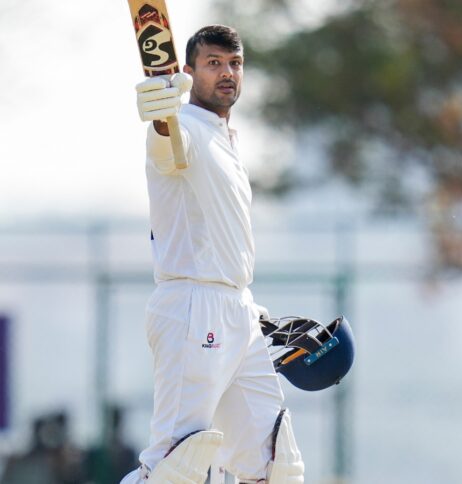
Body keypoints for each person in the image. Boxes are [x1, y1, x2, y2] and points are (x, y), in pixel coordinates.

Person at [121, 25, 304, 484]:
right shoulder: (184, 130)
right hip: (191, 310)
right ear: (188, 72)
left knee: (277, 469)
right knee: (172, 469)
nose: (227, 73)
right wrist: (161, 119)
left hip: (235, 312)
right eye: (213, 63)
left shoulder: (226, 138)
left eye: (234, 63)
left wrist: (243, 304)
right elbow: (167, 148)